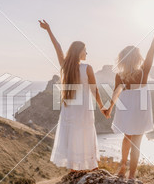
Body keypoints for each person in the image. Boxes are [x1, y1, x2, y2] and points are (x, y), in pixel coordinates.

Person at [103, 17, 154, 179]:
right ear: (137, 58)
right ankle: (132, 175)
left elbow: (116, 92)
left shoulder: (120, 75)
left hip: (126, 107)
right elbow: (152, 48)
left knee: (127, 138)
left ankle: (122, 167)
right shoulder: (143, 72)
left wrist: (109, 108)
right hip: (141, 107)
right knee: (137, 143)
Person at [39, 20, 105, 172]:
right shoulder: (87, 68)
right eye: (85, 50)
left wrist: (48, 30)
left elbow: (58, 48)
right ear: (79, 51)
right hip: (83, 110)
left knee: (72, 136)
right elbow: (95, 90)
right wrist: (102, 107)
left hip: (69, 110)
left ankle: (74, 170)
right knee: (85, 134)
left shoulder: (65, 66)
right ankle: (92, 169)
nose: (87, 53)